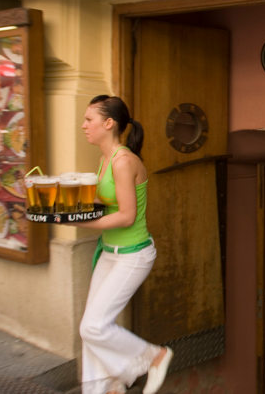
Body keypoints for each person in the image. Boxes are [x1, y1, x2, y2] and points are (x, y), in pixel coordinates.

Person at [69, 95, 173, 394]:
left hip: (133, 255)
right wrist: (70, 206)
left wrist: (78, 222)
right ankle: (106, 388)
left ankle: (155, 356)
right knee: (91, 330)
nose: (84, 125)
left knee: (93, 327)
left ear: (109, 123)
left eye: (89, 120)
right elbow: (108, 204)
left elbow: (127, 216)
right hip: (109, 253)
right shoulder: (105, 159)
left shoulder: (124, 161)